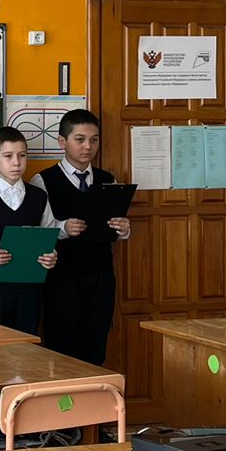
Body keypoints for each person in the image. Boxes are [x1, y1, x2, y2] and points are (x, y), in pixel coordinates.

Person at [29, 110, 131, 364]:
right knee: (61, 347)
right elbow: (36, 232)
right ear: (62, 142)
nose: (88, 146)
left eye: (94, 140)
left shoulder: (108, 180)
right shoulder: (43, 181)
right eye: (80, 139)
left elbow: (113, 228)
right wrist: (63, 228)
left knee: (96, 346)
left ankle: (95, 391)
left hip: (100, 276)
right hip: (62, 277)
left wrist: (123, 229)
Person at [0, 125, 59, 334]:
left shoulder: (39, 197)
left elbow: (49, 238)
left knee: (28, 346)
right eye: (8, 156)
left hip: (31, 290)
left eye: (22, 155)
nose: (16, 162)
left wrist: (51, 256)